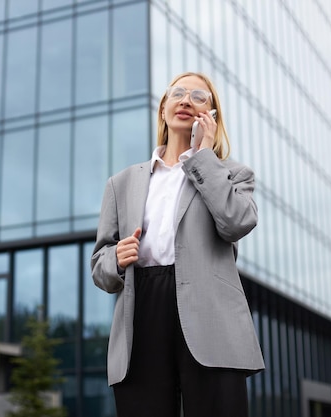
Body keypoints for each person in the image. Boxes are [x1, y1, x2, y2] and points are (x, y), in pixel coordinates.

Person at [90, 72, 264, 417]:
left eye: (199, 97)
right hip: (142, 311)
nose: (186, 100)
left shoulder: (232, 174)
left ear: (211, 116)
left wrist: (201, 156)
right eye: (178, 93)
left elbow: (237, 222)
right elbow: (100, 267)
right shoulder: (121, 183)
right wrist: (116, 258)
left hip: (209, 314)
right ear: (163, 109)